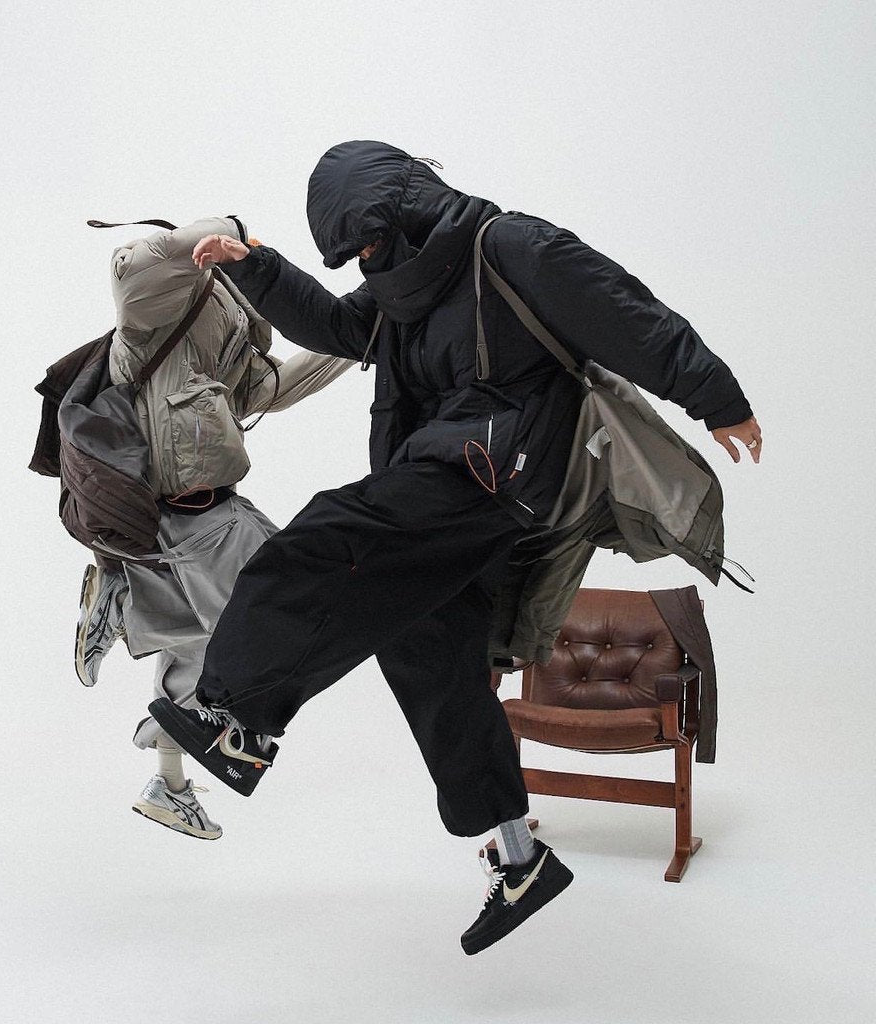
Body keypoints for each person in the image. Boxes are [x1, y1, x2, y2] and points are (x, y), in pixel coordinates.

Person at [147, 142, 762, 952]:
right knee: (426, 647)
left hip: (497, 469)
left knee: (328, 538)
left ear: (409, 212)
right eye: (356, 253)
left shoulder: (511, 247)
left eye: (371, 243)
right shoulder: (400, 286)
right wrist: (256, 267)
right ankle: (520, 857)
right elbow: (340, 327)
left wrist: (719, 400)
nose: (367, 261)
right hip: (442, 473)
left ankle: (238, 721)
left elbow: (627, 316)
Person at [73, 215, 353, 840]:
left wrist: (357, 331)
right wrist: (225, 232)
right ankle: (122, 600)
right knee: (283, 604)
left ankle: (169, 785)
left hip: (191, 516)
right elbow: (135, 264)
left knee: (198, 649)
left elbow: (267, 390)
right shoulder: (150, 309)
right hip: (191, 516)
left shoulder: (233, 319)